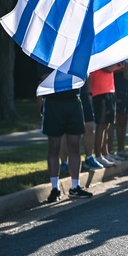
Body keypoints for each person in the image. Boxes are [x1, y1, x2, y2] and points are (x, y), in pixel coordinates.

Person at [38, 66, 92, 202]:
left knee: (74, 146)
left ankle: (75, 186)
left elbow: (84, 76)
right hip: (53, 102)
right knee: (54, 147)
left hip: (73, 100)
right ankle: (55, 188)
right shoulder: (49, 53)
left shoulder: (74, 52)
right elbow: (45, 78)